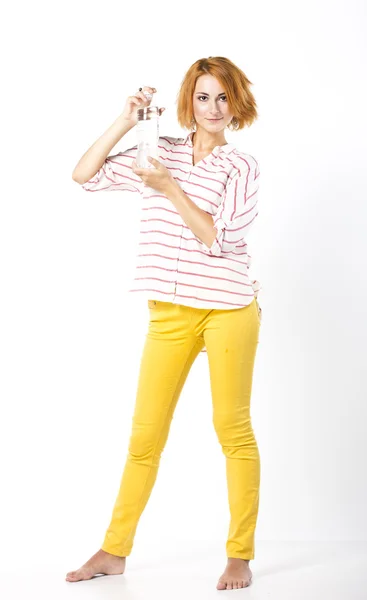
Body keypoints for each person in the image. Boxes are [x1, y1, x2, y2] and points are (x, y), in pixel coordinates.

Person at [66, 56, 262, 591]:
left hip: (229, 311)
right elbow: (83, 175)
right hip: (168, 314)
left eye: (223, 97)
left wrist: (170, 187)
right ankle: (113, 551)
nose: (214, 108)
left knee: (232, 431)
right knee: (144, 438)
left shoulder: (241, 167)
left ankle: (239, 553)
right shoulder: (159, 152)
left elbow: (218, 239)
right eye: (203, 97)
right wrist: (126, 120)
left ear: (236, 102)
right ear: (188, 103)